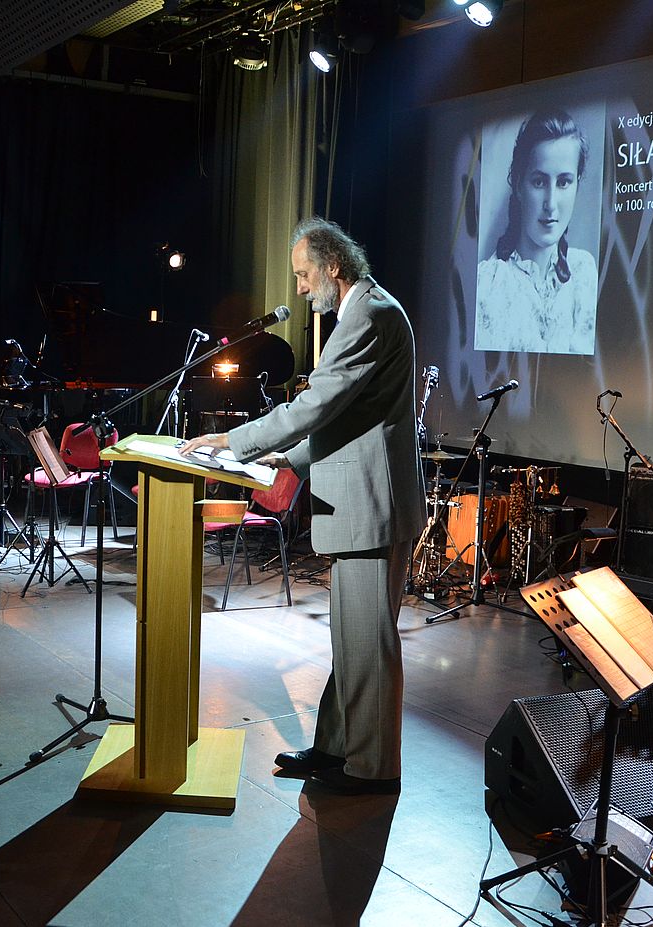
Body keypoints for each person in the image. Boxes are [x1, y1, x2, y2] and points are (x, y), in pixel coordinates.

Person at [180, 217, 423, 795]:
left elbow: (315, 407)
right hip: (364, 503)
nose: (299, 287)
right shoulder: (364, 309)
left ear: (333, 266)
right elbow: (349, 417)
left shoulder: (368, 314)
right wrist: (284, 458)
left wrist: (233, 441)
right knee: (353, 643)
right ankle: (338, 749)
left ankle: (373, 770)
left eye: (303, 274)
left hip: (372, 506)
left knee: (368, 645)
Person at [475, 109, 598, 355]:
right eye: (539, 182)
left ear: (577, 184)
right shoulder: (487, 282)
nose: (551, 204)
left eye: (563, 182)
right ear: (519, 185)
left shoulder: (584, 272)